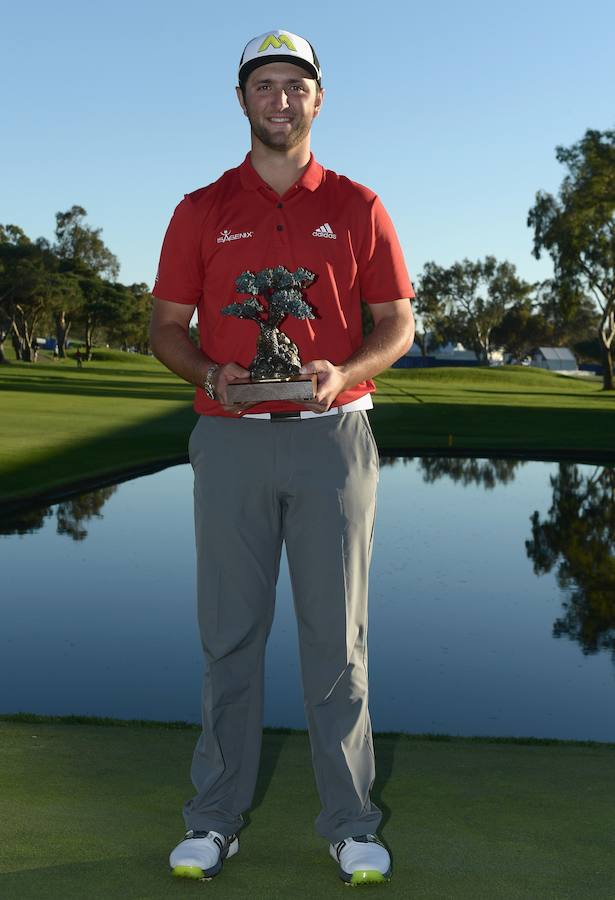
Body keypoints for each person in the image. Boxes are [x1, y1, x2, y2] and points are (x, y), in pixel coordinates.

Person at [150, 28, 415, 886]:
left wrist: (346, 372)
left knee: (335, 644)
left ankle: (348, 823)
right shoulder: (199, 209)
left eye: (294, 85)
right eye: (263, 84)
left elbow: (395, 322)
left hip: (333, 442)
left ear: (317, 99)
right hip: (228, 441)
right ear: (242, 99)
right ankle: (214, 820)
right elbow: (165, 329)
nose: (279, 99)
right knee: (229, 639)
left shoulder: (358, 204)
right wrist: (209, 373)